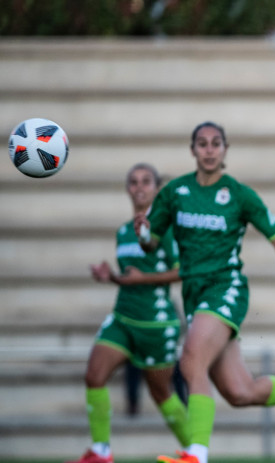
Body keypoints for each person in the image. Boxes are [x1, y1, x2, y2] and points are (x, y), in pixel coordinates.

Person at [135, 122, 275, 463]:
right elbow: (151, 244)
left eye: (216, 143)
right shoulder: (174, 193)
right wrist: (144, 235)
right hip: (195, 295)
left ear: (225, 150)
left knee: (191, 359)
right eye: (203, 144)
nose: (210, 149)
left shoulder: (241, 196)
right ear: (193, 150)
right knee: (239, 392)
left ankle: (196, 455)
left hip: (225, 289)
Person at [66, 163, 189, 463]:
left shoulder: (167, 229)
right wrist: (110, 276)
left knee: (162, 394)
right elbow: (130, 275)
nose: (139, 187)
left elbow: (184, 270)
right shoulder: (123, 232)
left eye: (146, 181)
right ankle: (101, 452)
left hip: (155, 323)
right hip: (122, 318)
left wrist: (140, 280)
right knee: (94, 375)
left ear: (157, 189)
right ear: (127, 189)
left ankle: (197, 452)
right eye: (133, 182)